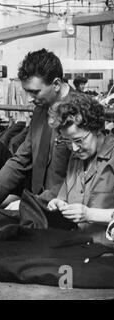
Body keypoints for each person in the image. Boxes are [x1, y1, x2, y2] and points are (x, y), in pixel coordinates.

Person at [0, 48, 72, 215]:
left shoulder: (80, 111)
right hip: (38, 210)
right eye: (27, 92)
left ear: (56, 84)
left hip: (66, 209)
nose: (30, 99)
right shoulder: (40, 110)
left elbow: (78, 177)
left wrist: (33, 204)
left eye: (35, 91)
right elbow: (21, 159)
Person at [47, 93, 114, 245]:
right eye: (68, 142)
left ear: (96, 128)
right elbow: (64, 196)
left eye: (78, 140)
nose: (74, 148)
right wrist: (58, 203)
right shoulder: (77, 158)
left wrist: (90, 214)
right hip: (78, 248)